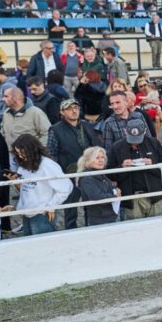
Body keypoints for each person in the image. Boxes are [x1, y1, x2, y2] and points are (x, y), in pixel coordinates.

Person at [47, 98, 98, 229]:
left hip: (89, 172)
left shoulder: (87, 126)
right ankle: (70, 231)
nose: (74, 111)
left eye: (76, 108)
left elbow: (97, 148)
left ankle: (91, 228)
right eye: (69, 109)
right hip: (68, 173)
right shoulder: (55, 129)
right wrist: (58, 175)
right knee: (70, 208)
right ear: (62, 112)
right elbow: (51, 153)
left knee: (91, 205)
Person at [9, 134, 72, 235]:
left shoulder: (47, 165)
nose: (21, 156)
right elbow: (25, 189)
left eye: (23, 153)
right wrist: (15, 182)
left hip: (42, 214)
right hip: (27, 212)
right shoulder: (23, 166)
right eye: (18, 153)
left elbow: (66, 187)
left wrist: (51, 206)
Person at [106, 122, 162, 219]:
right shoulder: (117, 147)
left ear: (145, 132)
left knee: (157, 228)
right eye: (132, 139)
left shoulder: (154, 143)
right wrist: (122, 167)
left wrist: (152, 165)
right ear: (125, 131)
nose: (135, 143)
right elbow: (109, 174)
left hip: (154, 196)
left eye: (138, 139)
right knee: (133, 231)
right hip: (131, 199)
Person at [75, 146, 120, 226]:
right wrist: (114, 195)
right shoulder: (87, 178)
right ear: (88, 161)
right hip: (99, 219)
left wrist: (115, 188)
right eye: (97, 158)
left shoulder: (100, 174)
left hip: (107, 215)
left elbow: (106, 188)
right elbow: (97, 197)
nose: (101, 160)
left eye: (102, 157)